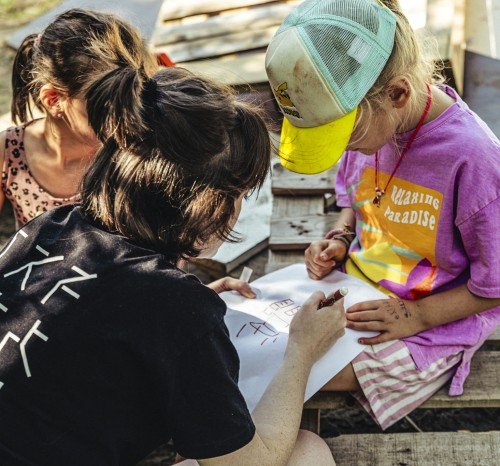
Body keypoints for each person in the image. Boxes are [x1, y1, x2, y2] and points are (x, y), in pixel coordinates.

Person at [0, 62, 344, 465]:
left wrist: (182, 314)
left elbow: (92, 321)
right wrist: (301, 350)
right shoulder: (175, 309)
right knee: (307, 453)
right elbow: (252, 462)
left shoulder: (50, 226)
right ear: (211, 205)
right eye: (239, 195)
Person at [266, 0, 500, 430]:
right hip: (358, 284)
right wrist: (339, 236)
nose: (344, 149)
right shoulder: (372, 127)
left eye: (344, 135)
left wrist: (417, 317)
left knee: (294, 370)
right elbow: (353, 201)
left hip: (436, 316)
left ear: (398, 94)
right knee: (275, 347)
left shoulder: (475, 161)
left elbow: (495, 284)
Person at [1, 8, 157, 229]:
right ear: (54, 100)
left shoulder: (131, 153)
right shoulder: (8, 153)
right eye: (110, 107)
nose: (132, 118)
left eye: (137, 97)